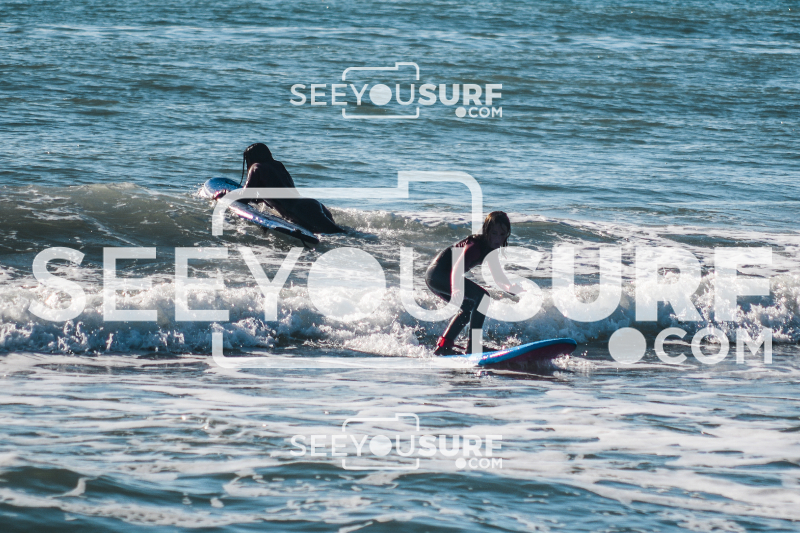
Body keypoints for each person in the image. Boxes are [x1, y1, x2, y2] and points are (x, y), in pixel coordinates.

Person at [425, 211, 522, 355]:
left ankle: (444, 346)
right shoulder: (474, 246)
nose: (498, 239)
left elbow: (498, 277)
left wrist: (510, 288)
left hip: (439, 277)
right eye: (494, 233)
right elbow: (457, 269)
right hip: (438, 274)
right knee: (483, 297)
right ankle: (473, 346)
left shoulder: (491, 251)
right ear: (486, 231)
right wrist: (456, 288)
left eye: (502, 234)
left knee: (468, 307)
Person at [241, 143, 345, 234]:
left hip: (301, 210)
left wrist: (231, 197)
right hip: (311, 205)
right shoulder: (278, 165)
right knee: (336, 233)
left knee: (340, 235)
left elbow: (245, 197)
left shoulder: (256, 167)